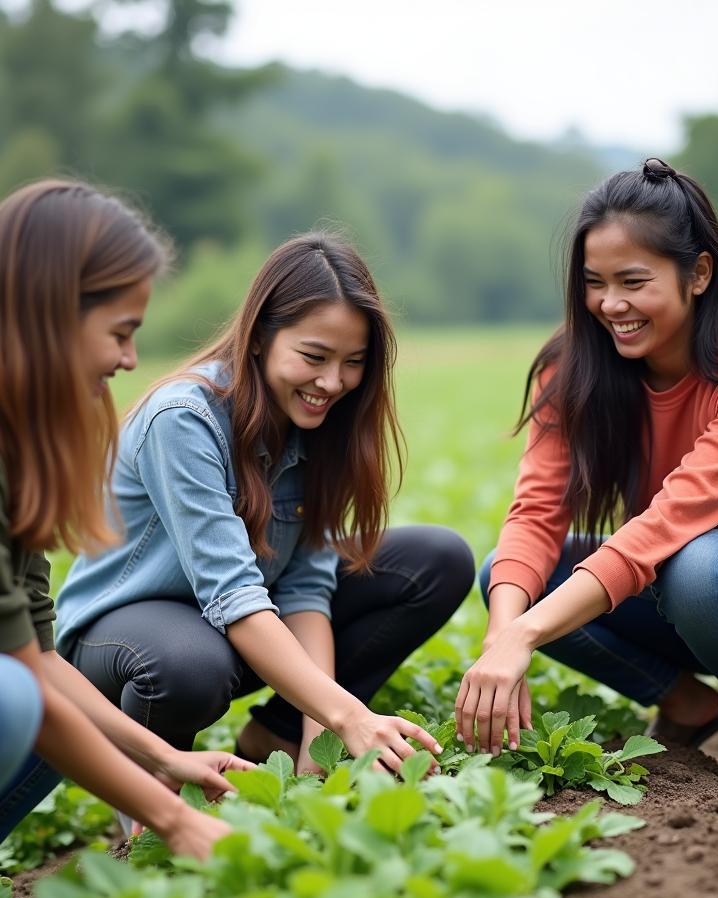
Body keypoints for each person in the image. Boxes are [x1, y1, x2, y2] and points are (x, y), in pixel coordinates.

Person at [0, 181, 251, 898]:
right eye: (120, 331)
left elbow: (40, 658)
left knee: (27, 692)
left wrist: (165, 764)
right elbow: (12, 678)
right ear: (49, 315)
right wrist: (173, 824)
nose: (130, 359)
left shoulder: (1, 436)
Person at [458, 158, 718, 824]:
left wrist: (524, 638)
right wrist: (504, 633)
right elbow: (536, 513)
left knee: (701, 563)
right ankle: (682, 701)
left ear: (698, 274)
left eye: (633, 282)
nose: (610, 305)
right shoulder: (572, 371)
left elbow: (670, 524)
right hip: (686, 591)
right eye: (595, 284)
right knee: (508, 579)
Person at [55, 232, 473, 776]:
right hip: (125, 637)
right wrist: (351, 716)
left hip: (236, 631)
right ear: (258, 338)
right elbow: (232, 594)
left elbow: (304, 588)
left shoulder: (321, 419)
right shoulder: (183, 418)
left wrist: (316, 740)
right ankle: (152, 781)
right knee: (186, 663)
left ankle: (273, 735)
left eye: (353, 362)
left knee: (435, 559)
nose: (332, 381)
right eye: (313, 356)